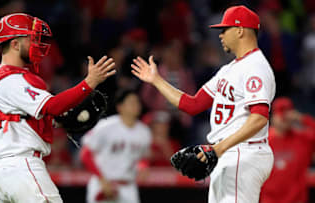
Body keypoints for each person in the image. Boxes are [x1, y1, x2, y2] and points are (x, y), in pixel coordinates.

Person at [131, 5, 276, 203]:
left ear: (240, 30)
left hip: (243, 152)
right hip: (228, 152)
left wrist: (218, 149)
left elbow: (259, 118)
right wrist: (156, 80)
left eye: (225, 29)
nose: (221, 35)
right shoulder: (230, 69)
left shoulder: (255, 67)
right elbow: (193, 104)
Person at [0, 13, 116, 202]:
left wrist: (59, 121)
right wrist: (89, 82)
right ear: (14, 44)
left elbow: (32, 117)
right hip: (22, 166)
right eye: (31, 39)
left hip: (6, 170)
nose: (37, 45)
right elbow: (53, 106)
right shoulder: (11, 79)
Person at [80, 89, 151, 203]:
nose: (136, 106)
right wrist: (102, 179)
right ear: (120, 107)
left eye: (137, 102)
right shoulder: (106, 126)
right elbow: (86, 154)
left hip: (128, 186)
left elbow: (142, 158)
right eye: (131, 102)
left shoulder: (144, 132)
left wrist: (143, 166)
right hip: (102, 183)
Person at [260, 97, 315, 203]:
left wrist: (302, 119)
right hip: (269, 200)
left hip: (297, 200)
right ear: (273, 117)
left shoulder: (302, 138)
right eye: (280, 115)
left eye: (287, 115)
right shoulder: (263, 141)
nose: (284, 119)